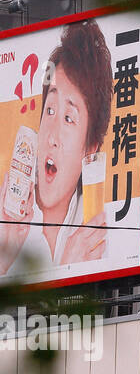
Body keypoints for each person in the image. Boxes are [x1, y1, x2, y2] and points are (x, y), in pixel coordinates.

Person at [0, 20, 113, 277]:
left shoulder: (98, 233)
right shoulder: (6, 215)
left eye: (69, 118)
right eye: (49, 110)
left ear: (90, 148)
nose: (51, 136)